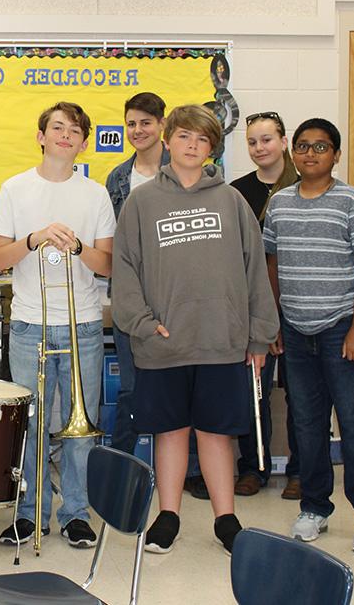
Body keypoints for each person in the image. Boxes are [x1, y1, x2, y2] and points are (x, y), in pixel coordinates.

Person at [112, 104, 278, 556]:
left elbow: (255, 272)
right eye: (184, 136)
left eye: (202, 140)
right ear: (167, 141)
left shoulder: (230, 201)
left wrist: (259, 335)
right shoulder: (142, 203)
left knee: (216, 433)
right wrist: (142, 324)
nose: (192, 145)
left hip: (221, 341)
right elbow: (124, 271)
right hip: (163, 341)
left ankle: (226, 519)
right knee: (170, 431)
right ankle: (168, 517)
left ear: (211, 149)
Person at [0, 102, 114, 549]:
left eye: (74, 130)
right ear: (41, 136)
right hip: (28, 325)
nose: (65, 135)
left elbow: (107, 264)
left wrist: (78, 246)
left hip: (82, 324)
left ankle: (76, 514)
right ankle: (30, 514)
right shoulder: (14, 188)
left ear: (83, 144)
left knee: (80, 427)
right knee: (31, 424)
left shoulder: (95, 194)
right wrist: (34, 239)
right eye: (57, 127)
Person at [264, 117, 354, 553]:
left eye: (320, 147)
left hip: (342, 330)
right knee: (307, 425)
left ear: (336, 154)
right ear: (291, 153)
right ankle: (314, 507)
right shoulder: (279, 204)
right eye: (302, 146)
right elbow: (272, 265)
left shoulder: (351, 200)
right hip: (296, 333)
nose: (309, 154)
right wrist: (275, 322)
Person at [224, 111, 302, 500]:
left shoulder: (305, 187)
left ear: (284, 142)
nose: (259, 148)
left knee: (302, 392)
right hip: (253, 306)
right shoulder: (236, 192)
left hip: (301, 307)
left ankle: (301, 469)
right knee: (252, 391)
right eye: (252, 142)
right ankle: (253, 467)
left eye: (267, 140)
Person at [103, 92, 171, 454]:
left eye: (146, 122)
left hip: (177, 296)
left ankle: (190, 470)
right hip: (130, 298)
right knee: (130, 387)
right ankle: (122, 462)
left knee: (178, 385)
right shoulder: (117, 178)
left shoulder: (186, 169)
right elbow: (113, 241)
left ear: (162, 124)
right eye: (131, 123)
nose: (137, 130)